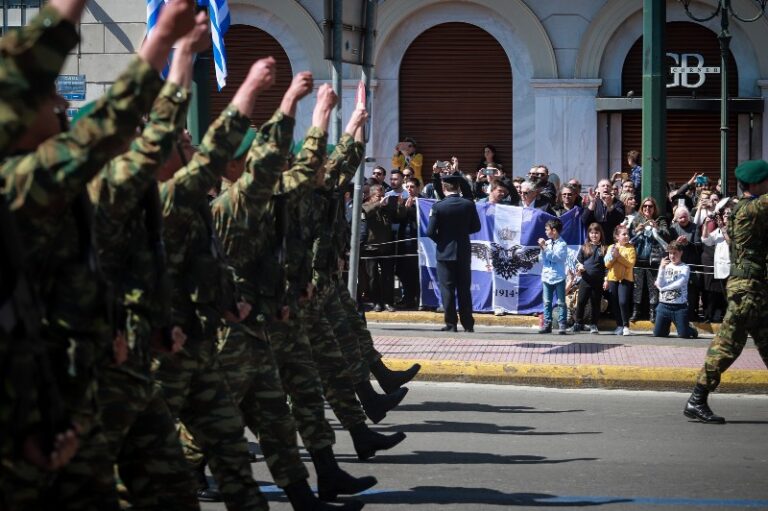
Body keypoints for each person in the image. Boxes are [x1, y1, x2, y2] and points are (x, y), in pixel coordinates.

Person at [684, 160, 768, 424]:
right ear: (755, 184)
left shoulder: (746, 209)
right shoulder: (749, 209)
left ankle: (697, 398)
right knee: (727, 345)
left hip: (753, 288)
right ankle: (697, 398)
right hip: (747, 291)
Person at [426, 174, 481, 332]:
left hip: (444, 253)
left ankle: (451, 324)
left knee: (447, 289)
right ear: (458, 187)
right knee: (464, 289)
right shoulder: (468, 204)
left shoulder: (439, 206)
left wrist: (442, 240)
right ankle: (468, 324)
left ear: (444, 188)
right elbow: (476, 227)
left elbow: (430, 232)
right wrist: (462, 233)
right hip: (463, 251)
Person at [629, 197, 671, 322]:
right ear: (642, 208)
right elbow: (628, 235)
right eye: (645, 206)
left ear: (654, 208)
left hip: (654, 259)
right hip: (638, 258)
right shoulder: (637, 219)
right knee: (637, 287)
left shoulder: (660, 220)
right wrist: (636, 230)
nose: (647, 208)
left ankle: (653, 313)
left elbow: (667, 235)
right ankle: (636, 312)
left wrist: (657, 227)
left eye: (650, 206)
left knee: (653, 287)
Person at [653, 241, 699, 339]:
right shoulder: (665, 266)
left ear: (681, 253)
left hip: (679, 306)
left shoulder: (685, 268)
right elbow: (659, 282)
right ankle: (665, 327)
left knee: (683, 335)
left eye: (675, 253)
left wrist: (663, 288)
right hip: (664, 305)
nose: (672, 256)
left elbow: (679, 284)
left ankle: (690, 329)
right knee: (658, 334)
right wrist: (661, 268)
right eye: (670, 253)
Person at [572, 223, 608, 334]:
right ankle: (578, 323)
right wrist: (579, 266)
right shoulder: (584, 247)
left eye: (596, 233)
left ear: (600, 234)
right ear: (589, 234)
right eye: (592, 233)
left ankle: (593, 325)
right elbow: (577, 262)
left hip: (598, 281)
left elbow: (607, 266)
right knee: (581, 302)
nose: (594, 235)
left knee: (595, 303)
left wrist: (606, 279)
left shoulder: (604, 249)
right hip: (585, 280)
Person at [537, 218, 568, 335]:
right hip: (546, 276)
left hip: (558, 276)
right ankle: (547, 323)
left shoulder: (562, 244)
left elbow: (556, 257)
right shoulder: (547, 243)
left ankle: (562, 323)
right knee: (547, 301)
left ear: (554, 231)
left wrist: (545, 248)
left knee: (561, 301)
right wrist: (542, 249)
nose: (545, 231)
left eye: (547, 229)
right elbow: (541, 259)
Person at [671, 206, 702, 319]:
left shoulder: (695, 227)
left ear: (688, 217)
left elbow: (699, 246)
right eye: (680, 218)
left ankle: (692, 313)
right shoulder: (673, 228)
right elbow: (670, 247)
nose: (683, 220)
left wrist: (687, 243)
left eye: (685, 217)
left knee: (692, 292)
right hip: (678, 265)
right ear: (676, 219)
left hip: (691, 265)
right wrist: (676, 242)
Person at [605, 224, 636, 336]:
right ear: (617, 236)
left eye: (627, 234)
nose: (627, 236)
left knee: (623, 302)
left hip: (625, 278)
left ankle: (626, 325)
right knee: (615, 302)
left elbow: (630, 264)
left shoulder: (631, 248)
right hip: (612, 278)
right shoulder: (611, 247)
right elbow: (607, 264)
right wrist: (614, 256)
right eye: (624, 234)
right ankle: (619, 325)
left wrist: (618, 257)